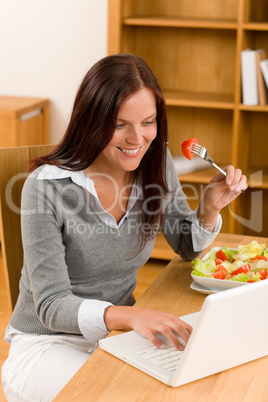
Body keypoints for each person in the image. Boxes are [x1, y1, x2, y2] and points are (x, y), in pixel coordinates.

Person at [1, 53, 247, 401]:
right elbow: (52, 305)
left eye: (148, 122)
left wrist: (208, 207)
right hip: (47, 343)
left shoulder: (156, 166)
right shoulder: (46, 188)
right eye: (119, 124)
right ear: (90, 121)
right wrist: (131, 316)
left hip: (117, 338)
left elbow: (186, 246)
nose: (137, 139)